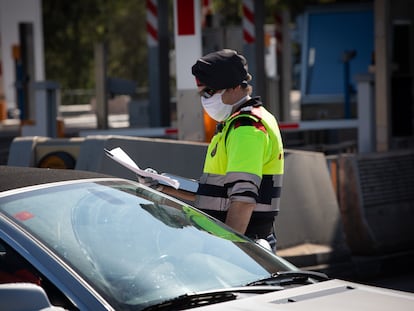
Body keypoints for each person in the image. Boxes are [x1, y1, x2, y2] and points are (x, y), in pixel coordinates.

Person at [140, 49, 284, 251]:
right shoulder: (236, 123)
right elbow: (219, 193)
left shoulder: (247, 128)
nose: (204, 99)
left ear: (234, 87)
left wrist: (228, 252)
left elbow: (242, 201)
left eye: (209, 92)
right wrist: (164, 185)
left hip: (245, 247)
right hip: (244, 242)